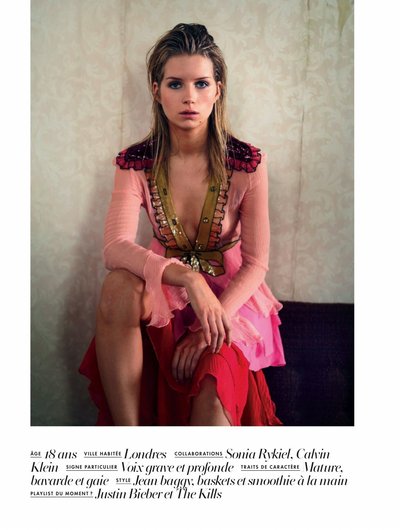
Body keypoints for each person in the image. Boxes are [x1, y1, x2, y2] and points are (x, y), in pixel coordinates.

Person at [79, 23, 285, 426]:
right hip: (167, 294)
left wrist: (209, 324)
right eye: (176, 84)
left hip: (231, 299)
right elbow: (114, 248)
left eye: (201, 84)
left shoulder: (246, 163)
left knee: (213, 387)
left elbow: (256, 263)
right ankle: (129, 444)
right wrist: (190, 280)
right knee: (118, 286)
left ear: (218, 90)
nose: (189, 97)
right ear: (156, 90)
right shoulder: (135, 162)